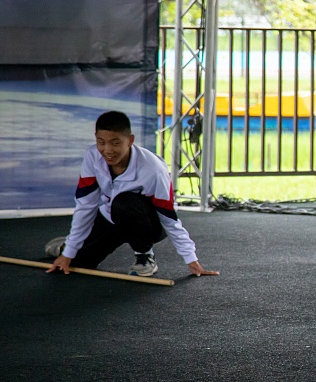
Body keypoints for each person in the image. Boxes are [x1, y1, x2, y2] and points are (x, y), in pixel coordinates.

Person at [45, 111, 219, 278]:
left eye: (115, 143)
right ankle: (66, 246)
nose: (107, 150)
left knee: (123, 202)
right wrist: (69, 252)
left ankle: (144, 255)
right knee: (77, 264)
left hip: (150, 223)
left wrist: (190, 258)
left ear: (130, 140)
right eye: (101, 142)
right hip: (111, 217)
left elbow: (169, 217)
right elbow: (85, 206)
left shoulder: (153, 170)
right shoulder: (92, 157)